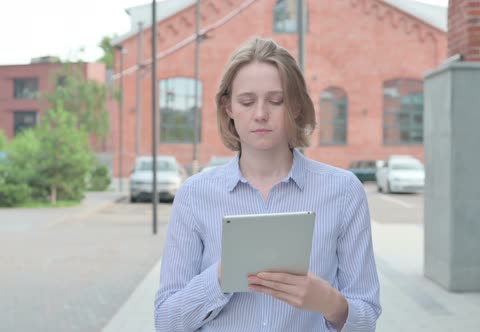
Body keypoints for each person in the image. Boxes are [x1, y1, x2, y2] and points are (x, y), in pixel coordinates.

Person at [155, 37, 381, 332]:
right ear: (229, 108)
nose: (260, 113)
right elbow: (166, 321)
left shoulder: (343, 191)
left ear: (297, 106)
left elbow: (367, 319)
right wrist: (222, 277)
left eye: (276, 100)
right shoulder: (194, 195)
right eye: (247, 101)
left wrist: (327, 300)